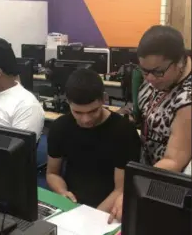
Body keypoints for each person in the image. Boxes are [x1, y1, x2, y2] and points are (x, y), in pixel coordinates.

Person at [109, 25, 192, 223]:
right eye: (144, 71)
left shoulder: (187, 99)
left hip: (168, 185)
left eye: (157, 72)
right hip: (147, 169)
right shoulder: (156, 76)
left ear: (180, 61)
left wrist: (134, 188)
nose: (150, 79)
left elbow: (174, 161)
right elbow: (144, 114)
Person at [46, 68, 141, 212]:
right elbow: (52, 173)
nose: (86, 119)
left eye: (93, 111)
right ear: (68, 102)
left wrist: (92, 216)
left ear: (104, 98)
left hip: (108, 207)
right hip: (72, 204)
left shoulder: (123, 131)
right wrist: (62, 192)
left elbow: (121, 189)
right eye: (78, 112)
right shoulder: (60, 127)